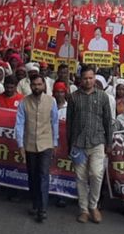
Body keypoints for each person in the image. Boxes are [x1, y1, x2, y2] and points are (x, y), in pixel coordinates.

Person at [67, 65, 112, 224]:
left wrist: (109, 143)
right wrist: (69, 144)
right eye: (85, 78)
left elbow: (108, 121)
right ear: (80, 79)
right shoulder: (73, 97)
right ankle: (84, 209)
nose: (88, 81)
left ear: (95, 78)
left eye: (91, 78)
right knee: (80, 178)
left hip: (98, 141)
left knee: (96, 174)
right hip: (78, 144)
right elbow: (69, 123)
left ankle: (94, 205)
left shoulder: (103, 97)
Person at [15, 74, 59, 223]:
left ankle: (42, 208)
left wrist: (55, 143)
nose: (36, 87)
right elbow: (19, 124)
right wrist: (20, 144)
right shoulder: (24, 102)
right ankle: (35, 203)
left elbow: (54, 123)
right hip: (29, 144)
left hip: (46, 143)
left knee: (43, 175)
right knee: (32, 176)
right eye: (34, 85)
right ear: (30, 86)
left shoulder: (51, 101)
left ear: (44, 86)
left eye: (39, 84)